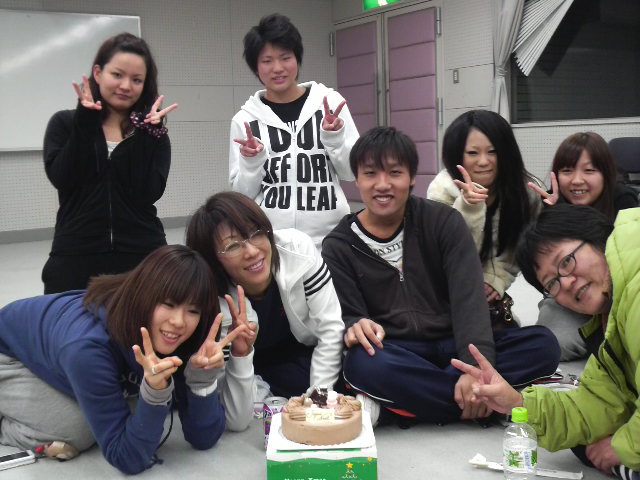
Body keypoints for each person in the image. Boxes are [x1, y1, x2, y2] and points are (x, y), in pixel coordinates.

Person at [322, 126, 559, 426]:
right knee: (361, 364)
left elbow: (468, 299)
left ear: (412, 177)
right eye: (370, 174)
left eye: (395, 173)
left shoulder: (443, 221)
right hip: (399, 351)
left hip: (456, 342)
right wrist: (355, 324)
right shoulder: (339, 245)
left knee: (542, 344)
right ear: (356, 179)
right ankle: (488, 400)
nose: (383, 185)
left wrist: (475, 369)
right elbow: (351, 315)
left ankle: (411, 405)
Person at [0, 245, 255, 474]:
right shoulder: (88, 349)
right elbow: (127, 458)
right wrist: (154, 393)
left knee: (134, 409)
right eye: (168, 304)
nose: (178, 322)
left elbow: (204, 438)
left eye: (193, 310)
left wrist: (202, 380)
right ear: (145, 296)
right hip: (9, 356)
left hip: (59, 354)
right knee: (79, 428)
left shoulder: (182, 335)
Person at [452, 204, 640, 479]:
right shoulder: (608, 324)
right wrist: (516, 403)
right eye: (551, 284)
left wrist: (625, 447)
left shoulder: (636, 290)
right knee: (585, 440)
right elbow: (596, 404)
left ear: (598, 239)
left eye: (566, 262)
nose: (566, 283)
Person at [42, 32, 178, 294]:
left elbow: (148, 193)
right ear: (98, 73)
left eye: (136, 79)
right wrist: (84, 123)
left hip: (142, 253)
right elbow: (62, 178)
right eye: (117, 75)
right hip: (76, 252)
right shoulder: (65, 123)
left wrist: (147, 137)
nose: (126, 86)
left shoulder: (154, 135)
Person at [186, 191, 344, 398]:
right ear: (213, 260)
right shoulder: (212, 298)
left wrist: (318, 400)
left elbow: (330, 328)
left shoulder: (297, 249)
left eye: (256, 233)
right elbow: (223, 379)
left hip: (307, 353)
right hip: (252, 368)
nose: (252, 252)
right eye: (232, 246)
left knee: (353, 365)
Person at [229, 13, 359, 250]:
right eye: (267, 61)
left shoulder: (329, 104)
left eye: (285, 58)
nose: (277, 68)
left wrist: (334, 138)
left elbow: (351, 172)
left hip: (331, 239)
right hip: (273, 242)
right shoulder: (245, 120)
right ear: (256, 67)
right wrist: (251, 161)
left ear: (297, 59)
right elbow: (242, 196)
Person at [527, 132, 639, 361]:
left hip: (619, 291)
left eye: (589, 171)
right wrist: (553, 214)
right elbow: (543, 275)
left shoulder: (622, 199)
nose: (577, 180)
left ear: (606, 173)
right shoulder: (551, 204)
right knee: (549, 343)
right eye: (567, 171)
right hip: (574, 297)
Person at [427, 109, 541, 310]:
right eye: (472, 153)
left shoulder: (525, 192)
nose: (483, 161)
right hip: (443, 294)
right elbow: (447, 254)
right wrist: (469, 207)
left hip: (490, 300)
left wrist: (497, 277)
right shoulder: (441, 190)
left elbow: (519, 246)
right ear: (457, 154)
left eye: (492, 151)